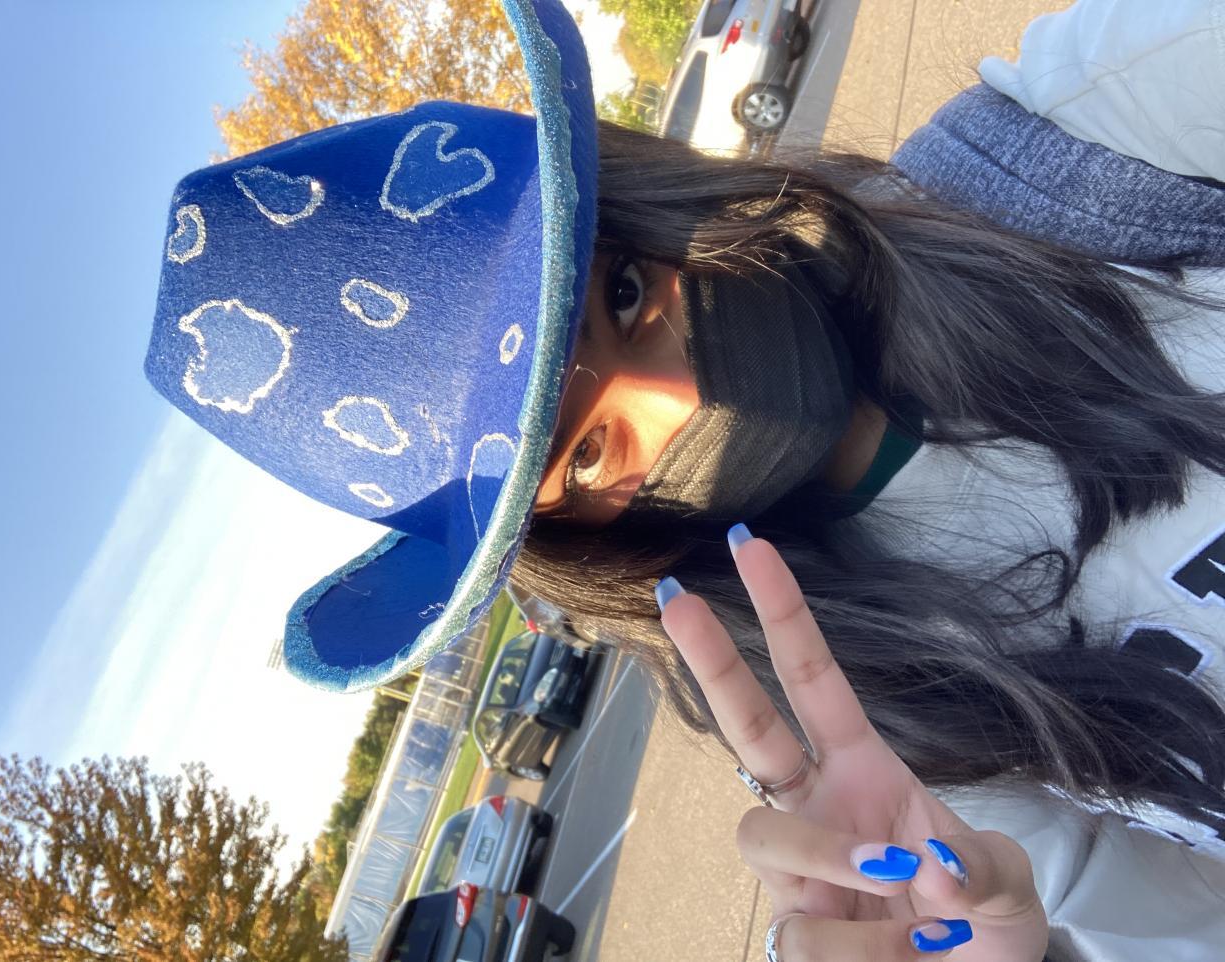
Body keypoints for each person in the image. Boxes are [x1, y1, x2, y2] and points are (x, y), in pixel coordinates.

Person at [143, 0, 1225, 958]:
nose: (677, 394)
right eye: (586, 451)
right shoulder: (873, 724)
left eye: (622, 292)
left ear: (638, 203)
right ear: (581, 535)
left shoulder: (1055, 158)